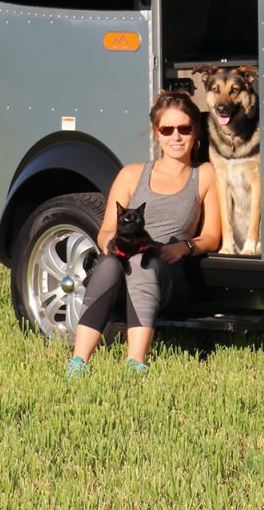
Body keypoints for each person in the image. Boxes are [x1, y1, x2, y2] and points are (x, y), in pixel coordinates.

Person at [67, 90, 222, 375]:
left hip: (169, 272)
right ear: (156, 134)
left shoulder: (204, 174)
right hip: (124, 265)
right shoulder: (131, 175)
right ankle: (78, 362)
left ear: (196, 131)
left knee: (141, 261)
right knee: (110, 263)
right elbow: (106, 231)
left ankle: (136, 362)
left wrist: (184, 247)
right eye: (167, 130)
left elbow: (212, 236)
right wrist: (109, 243)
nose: (176, 137)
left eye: (184, 129)